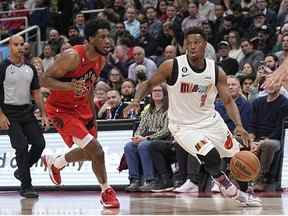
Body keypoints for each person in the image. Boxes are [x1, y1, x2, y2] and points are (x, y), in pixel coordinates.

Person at [125, 27, 262, 207]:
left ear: (205, 45)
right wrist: (136, 100)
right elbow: (149, 83)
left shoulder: (215, 71)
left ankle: (245, 192)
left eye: (197, 42)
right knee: (210, 154)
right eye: (188, 43)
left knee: (238, 155)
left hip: (210, 121)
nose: (192, 46)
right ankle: (225, 185)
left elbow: (228, 101)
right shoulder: (172, 66)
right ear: (183, 46)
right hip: (183, 126)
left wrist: (239, 125)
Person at [40, 19, 120, 208]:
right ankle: (106, 191)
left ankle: (57, 163)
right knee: (97, 150)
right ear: (91, 39)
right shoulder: (73, 56)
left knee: (90, 152)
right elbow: (44, 79)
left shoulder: (100, 59)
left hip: (81, 107)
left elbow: (89, 88)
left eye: (109, 36)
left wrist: (93, 117)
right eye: (102, 37)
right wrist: (69, 85)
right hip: (60, 109)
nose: (107, 41)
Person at [0, 35, 48, 198]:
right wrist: (0, 115)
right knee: (20, 147)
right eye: (16, 44)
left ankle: (21, 171)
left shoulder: (30, 68)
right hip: (9, 113)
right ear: (9, 46)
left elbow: (36, 92)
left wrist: (44, 113)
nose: (20, 47)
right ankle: (26, 186)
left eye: (22, 44)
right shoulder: (3, 67)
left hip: (26, 112)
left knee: (39, 144)